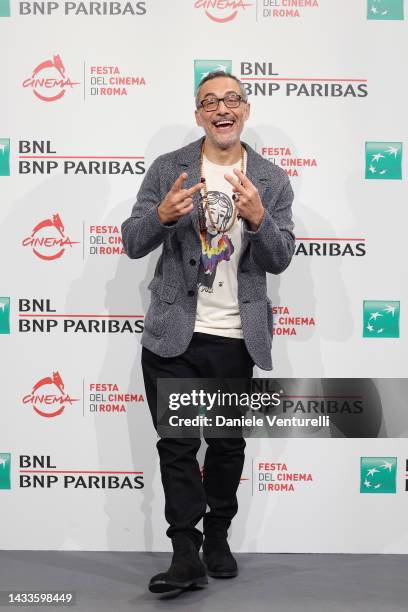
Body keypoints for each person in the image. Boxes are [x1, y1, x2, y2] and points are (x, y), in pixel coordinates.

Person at [121, 71, 295, 594]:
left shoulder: (271, 180)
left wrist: (261, 220)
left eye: (232, 99)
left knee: (224, 445)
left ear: (246, 110)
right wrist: (160, 216)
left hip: (235, 339)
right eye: (209, 101)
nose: (222, 108)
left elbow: (281, 259)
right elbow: (132, 241)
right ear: (198, 114)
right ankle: (184, 551)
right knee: (176, 446)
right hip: (174, 335)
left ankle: (216, 536)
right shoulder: (169, 169)